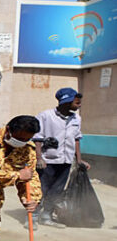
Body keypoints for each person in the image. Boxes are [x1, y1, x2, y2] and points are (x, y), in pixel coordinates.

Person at [34, 88, 89, 228]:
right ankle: (33, 217)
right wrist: (39, 158)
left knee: (57, 190)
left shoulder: (77, 118)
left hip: (65, 161)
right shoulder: (46, 116)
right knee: (41, 189)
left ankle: (46, 216)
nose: (79, 105)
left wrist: (78, 159)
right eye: (77, 102)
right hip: (47, 161)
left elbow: (76, 139)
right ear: (67, 101)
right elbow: (38, 138)